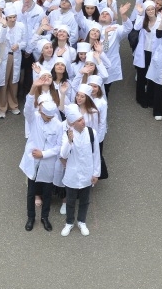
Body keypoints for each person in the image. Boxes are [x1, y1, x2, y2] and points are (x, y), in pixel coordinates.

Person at [20, 96, 63, 231]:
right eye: (47, 117)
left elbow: (58, 147)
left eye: (51, 117)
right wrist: (33, 90)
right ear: (41, 112)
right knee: (31, 192)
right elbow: (27, 108)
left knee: (47, 192)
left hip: (48, 162)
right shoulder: (34, 118)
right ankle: (31, 217)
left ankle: (45, 217)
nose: (49, 119)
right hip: (33, 161)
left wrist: (43, 154)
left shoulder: (58, 125)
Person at [60, 104, 101, 236]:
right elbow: (63, 154)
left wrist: (96, 173)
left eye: (82, 118)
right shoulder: (67, 135)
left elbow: (96, 154)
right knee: (70, 201)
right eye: (79, 120)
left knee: (85, 200)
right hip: (72, 174)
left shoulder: (91, 133)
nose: (83, 121)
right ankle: (69, 222)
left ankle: (82, 221)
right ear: (72, 123)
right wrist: (69, 141)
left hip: (87, 173)